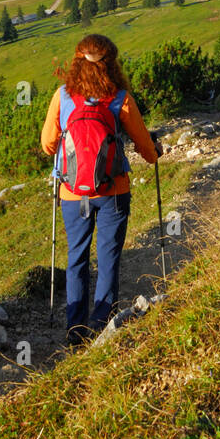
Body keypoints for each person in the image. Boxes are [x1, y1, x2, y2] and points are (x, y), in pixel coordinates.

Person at [40, 32, 163, 346]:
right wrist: (154, 153)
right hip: (113, 191)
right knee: (108, 257)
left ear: (77, 63)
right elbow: (145, 147)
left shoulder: (62, 96)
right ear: (111, 64)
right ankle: (100, 325)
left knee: (77, 258)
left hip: (72, 193)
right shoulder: (120, 98)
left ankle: (75, 330)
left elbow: (47, 144)